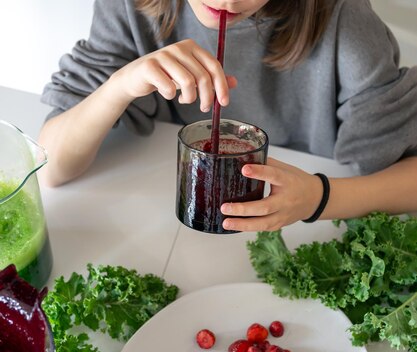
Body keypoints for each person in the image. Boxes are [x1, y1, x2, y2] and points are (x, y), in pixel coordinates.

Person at [39, 0, 417, 231]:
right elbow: (50, 167)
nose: (228, 0)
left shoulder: (343, 20)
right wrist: (120, 85)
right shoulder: (130, 6)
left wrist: (319, 197)